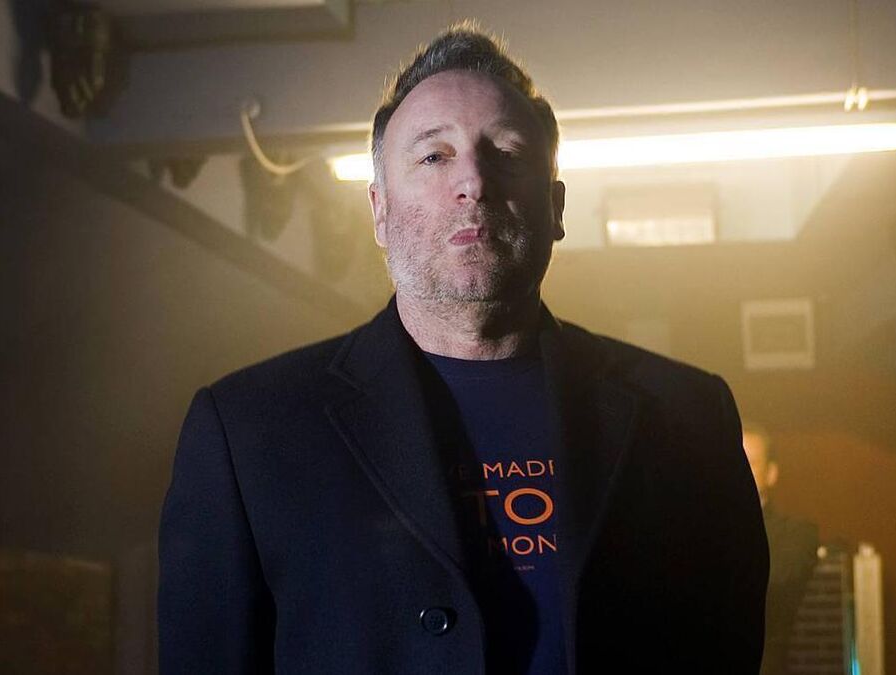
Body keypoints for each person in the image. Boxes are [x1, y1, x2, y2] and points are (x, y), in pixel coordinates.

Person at [158, 23, 767, 675]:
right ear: (379, 211)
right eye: (434, 156)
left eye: (506, 152)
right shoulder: (250, 432)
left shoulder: (687, 416)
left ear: (556, 206)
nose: (473, 181)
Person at [741, 423, 819, 675]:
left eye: (750, 462)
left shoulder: (797, 533)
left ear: (771, 473)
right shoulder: (698, 528)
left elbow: (777, 578)